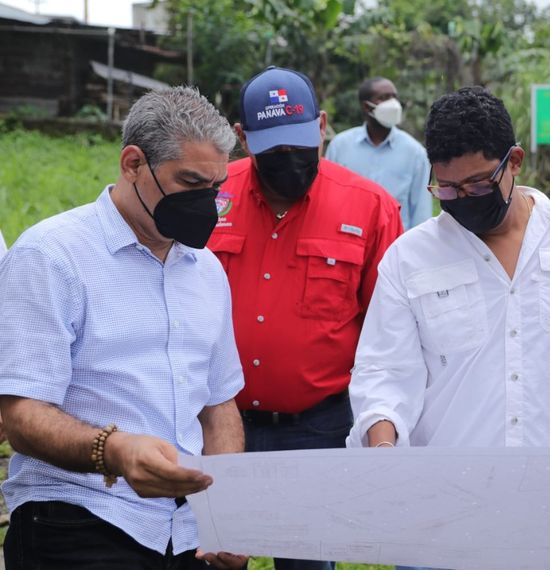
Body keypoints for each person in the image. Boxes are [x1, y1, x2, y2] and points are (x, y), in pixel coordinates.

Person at [345, 86, 550, 570]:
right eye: (446, 189)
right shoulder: (408, 258)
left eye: (479, 185)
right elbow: (383, 373)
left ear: (515, 161)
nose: (462, 200)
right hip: (438, 523)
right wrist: (383, 448)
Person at [0, 87, 247, 569]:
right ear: (133, 163)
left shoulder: (206, 270)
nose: (204, 204)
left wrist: (227, 515)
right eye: (189, 183)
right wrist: (113, 450)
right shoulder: (52, 256)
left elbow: (219, 405)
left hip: (189, 530)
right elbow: (21, 414)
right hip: (78, 518)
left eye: (214, 191)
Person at [208, 66, 403, 570]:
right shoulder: (210, 197)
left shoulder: (370, 208)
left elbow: (390, 331)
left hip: (317, 428)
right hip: (217, 422)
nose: (289, 161)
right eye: (273, 150)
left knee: (309, 561)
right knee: (213, 556)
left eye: (300, 145)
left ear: (320, 127)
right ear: (242, 137)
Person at [325, 77, 432, 230]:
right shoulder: (340, 146)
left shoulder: (415, 153)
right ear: (366, 107)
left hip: (395, 245)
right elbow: (329, 199)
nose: (393, 104)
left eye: (394, 97)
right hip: (348, 240)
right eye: (384, 98)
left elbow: (421, 212)